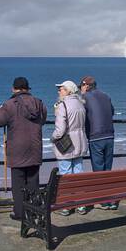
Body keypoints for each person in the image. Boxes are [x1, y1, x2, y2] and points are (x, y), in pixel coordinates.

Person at [0, 76, 47, 223]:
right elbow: (43, 119)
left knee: (18, 183)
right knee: (33, 182)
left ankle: (20, 213)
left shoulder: (10, 104)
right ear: (28, 88)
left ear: (13, 88)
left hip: (17, 150)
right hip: (35, 148)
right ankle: (33, 211)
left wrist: (1, 108)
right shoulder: (39, 103)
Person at [51, 79, 89, 215]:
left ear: (68, 91)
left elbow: (60, 130)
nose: (58, 91)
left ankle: (66, 205)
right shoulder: (80, 104)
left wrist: (53, 137)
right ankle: (80, 204)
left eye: (61, 88)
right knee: (78, 172)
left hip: (67, 144)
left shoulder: (63, 105)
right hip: (80, 142)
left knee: (65, 174)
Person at [81, 75, 118, 210]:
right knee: (107, 169)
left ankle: (102, 201)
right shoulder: (106, 95)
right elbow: (112, 112)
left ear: (86, 85)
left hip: (96, 137)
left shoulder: (84, 98)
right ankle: (109, 199)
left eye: (81, 86)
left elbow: (81, 114)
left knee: (98, 170)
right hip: (109, 135)